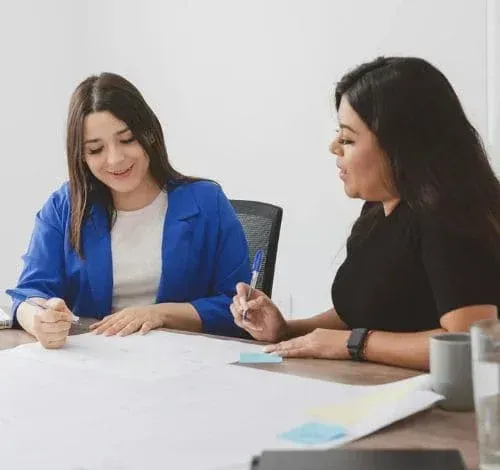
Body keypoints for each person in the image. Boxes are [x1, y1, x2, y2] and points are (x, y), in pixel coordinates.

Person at [231, 56, 500, 371]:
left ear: (399, 145)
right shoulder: (378, 210)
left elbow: (472, 344)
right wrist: (288, 329)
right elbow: (366, 311)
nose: (334, 147)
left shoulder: (449, 218)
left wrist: (354, 344)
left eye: (347, 138)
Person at [7, 73, 250, 349]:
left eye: (127, 139)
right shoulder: (64, 206)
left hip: (184, 363)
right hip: (95, 363)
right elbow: (28, 294)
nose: (115, 159)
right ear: (81, 156)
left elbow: (238, 306)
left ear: (150, 134)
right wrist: (38, 318)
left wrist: (158, 314)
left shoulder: (207, 201)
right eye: (96, 149)